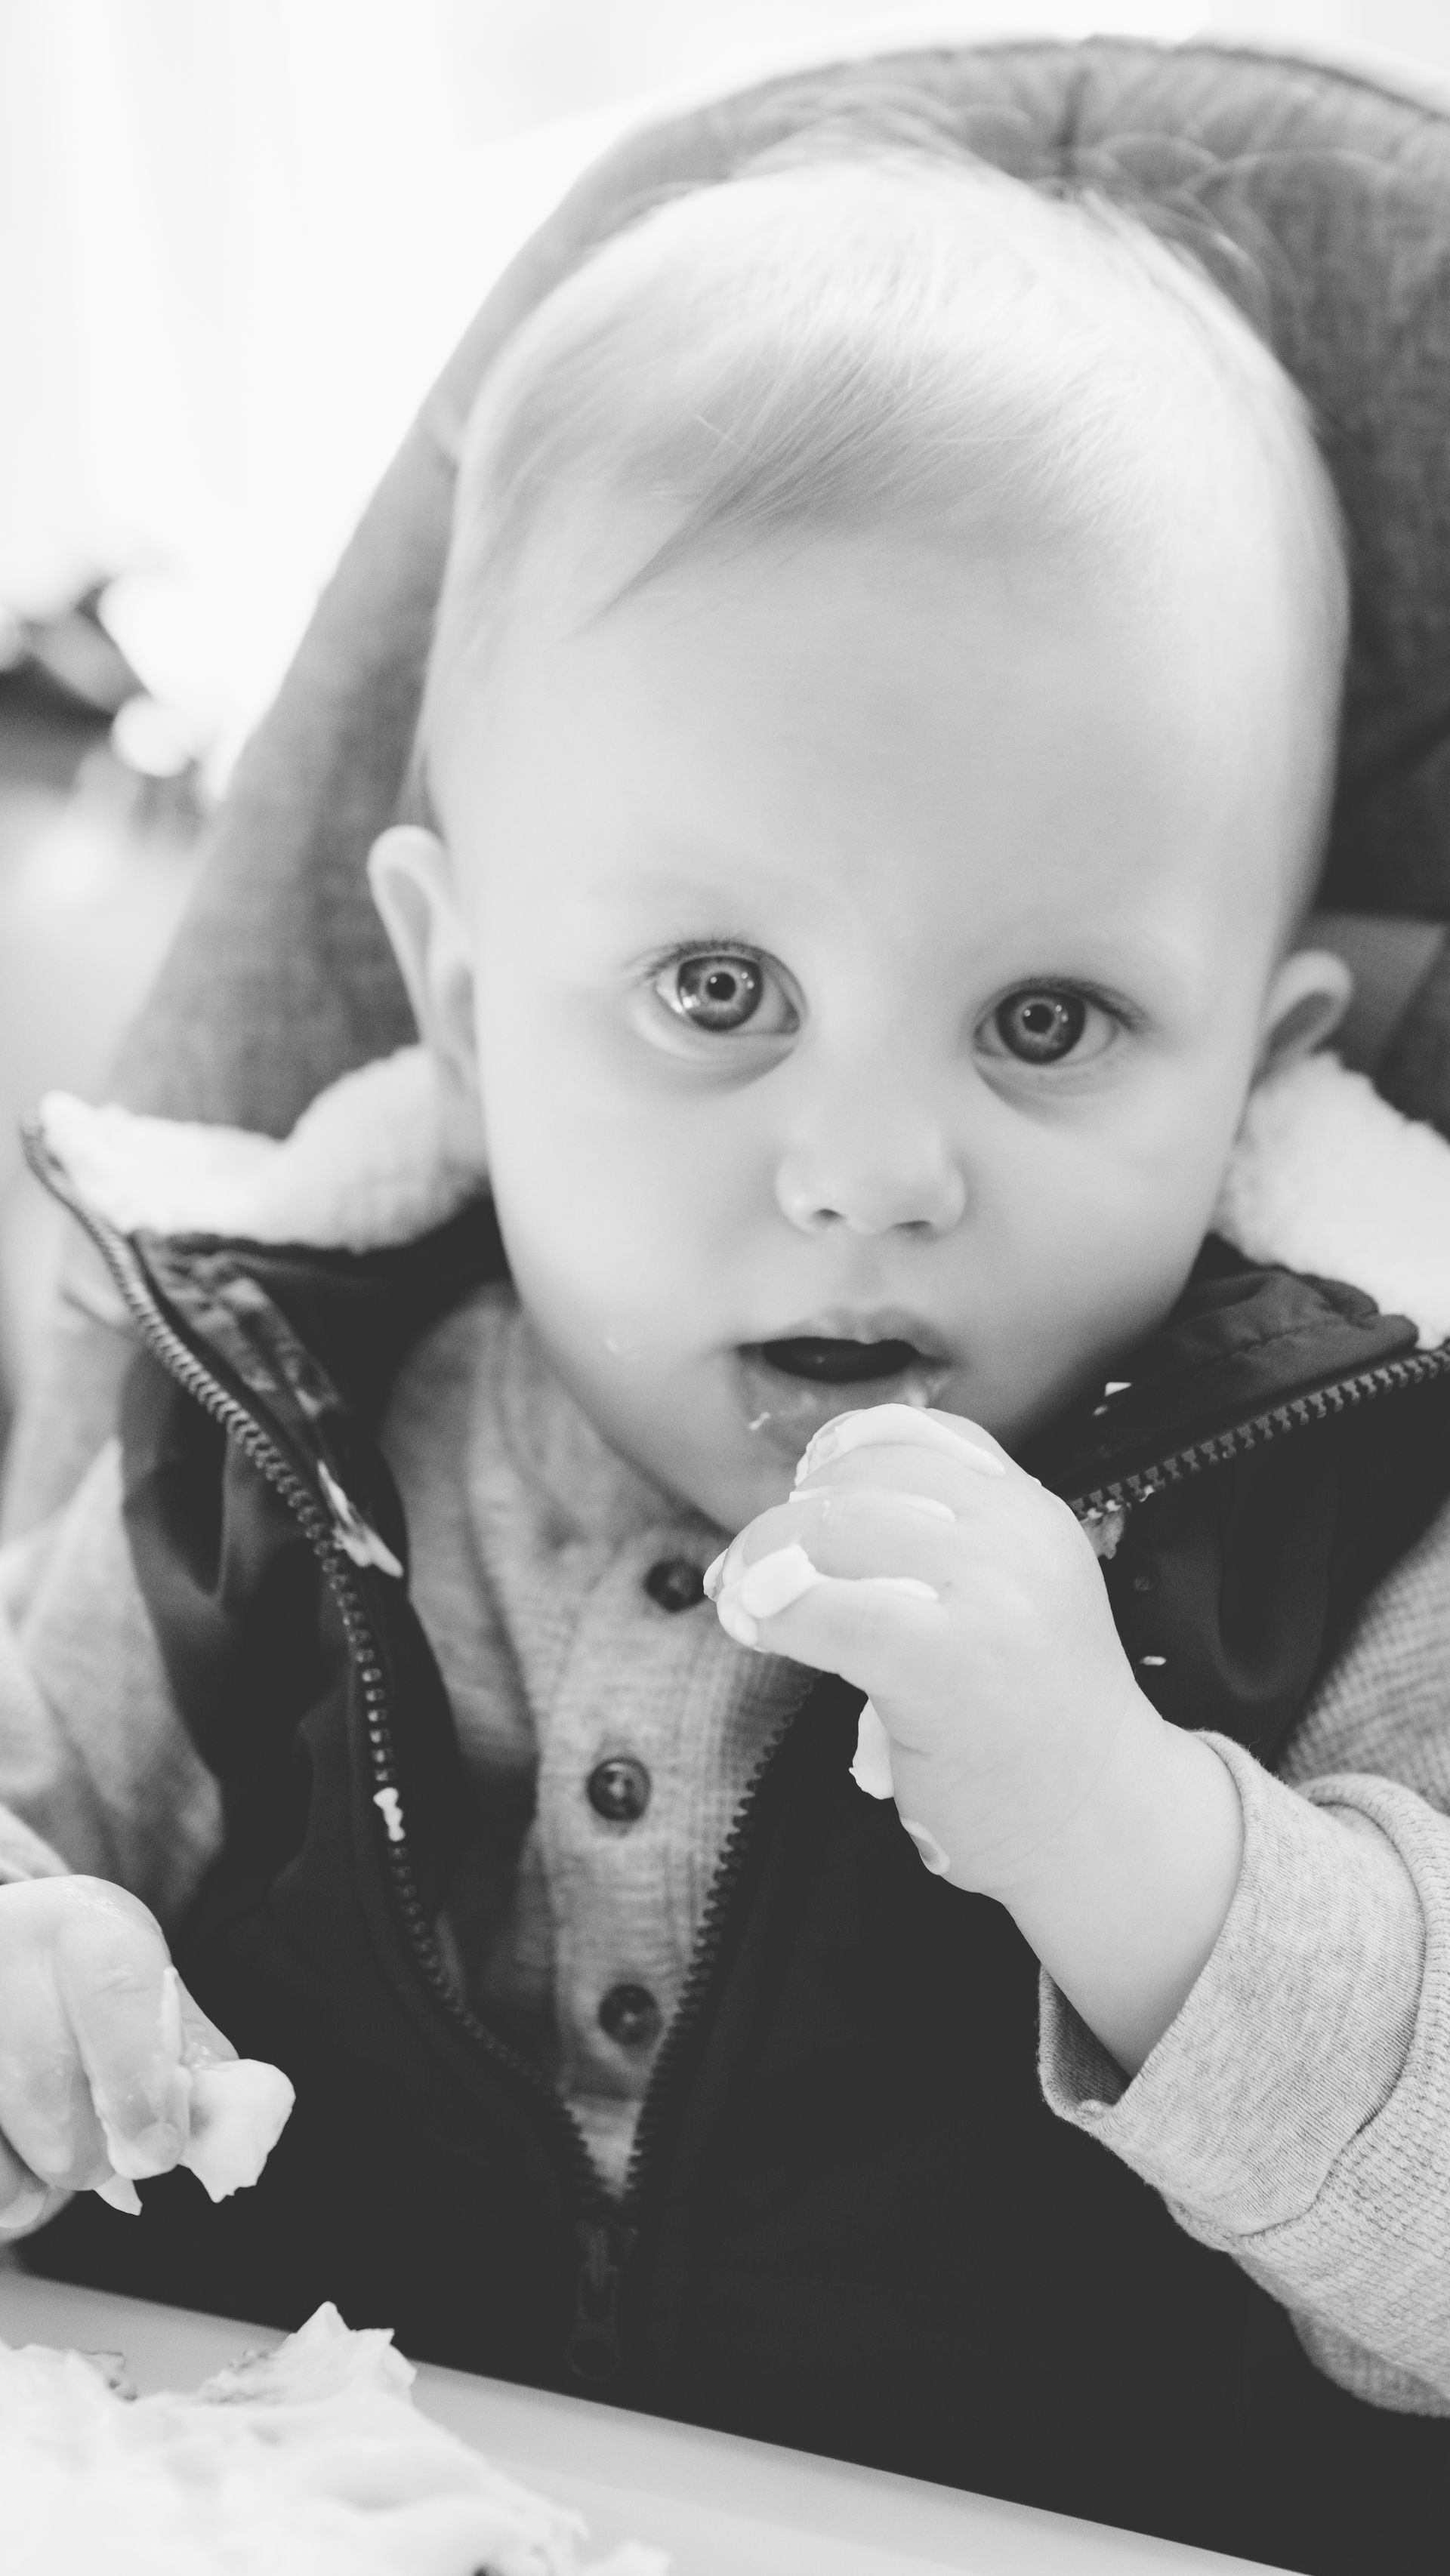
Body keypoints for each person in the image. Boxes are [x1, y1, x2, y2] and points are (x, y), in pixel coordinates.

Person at [4, 122, 1450, 2570]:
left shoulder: (1344, 1533)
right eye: (716, 986)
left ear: (1256, 1066)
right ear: (464, 1001)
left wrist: (1143, 1848)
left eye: (1049, 1017)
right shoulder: (263, 1459)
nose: (870, 1167)